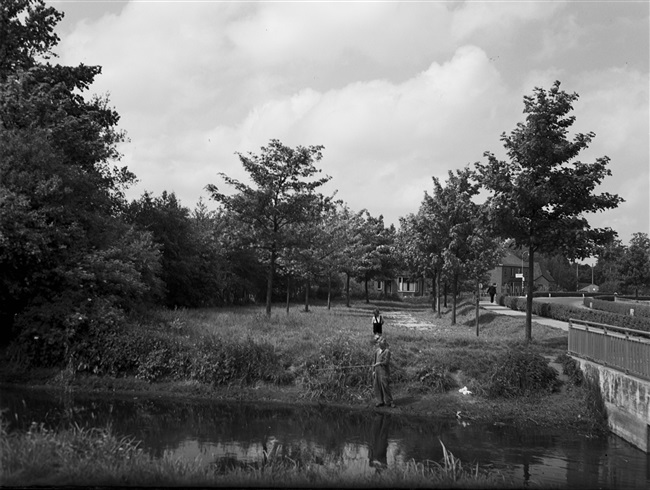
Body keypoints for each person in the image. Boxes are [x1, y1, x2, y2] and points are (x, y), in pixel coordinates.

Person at [372, 336, 394, 408]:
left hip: (384, 371)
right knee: (377, 386)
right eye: (379, 343)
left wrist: (379, 363)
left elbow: (386, 362)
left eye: (381, 343)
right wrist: (373, 371)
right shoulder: (377, 351)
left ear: (384, 344)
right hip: (377, 371)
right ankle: (380, 401)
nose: (379, 344)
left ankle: (389, 401)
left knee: (385, 386)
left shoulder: (387, 351)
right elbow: (374, 361)